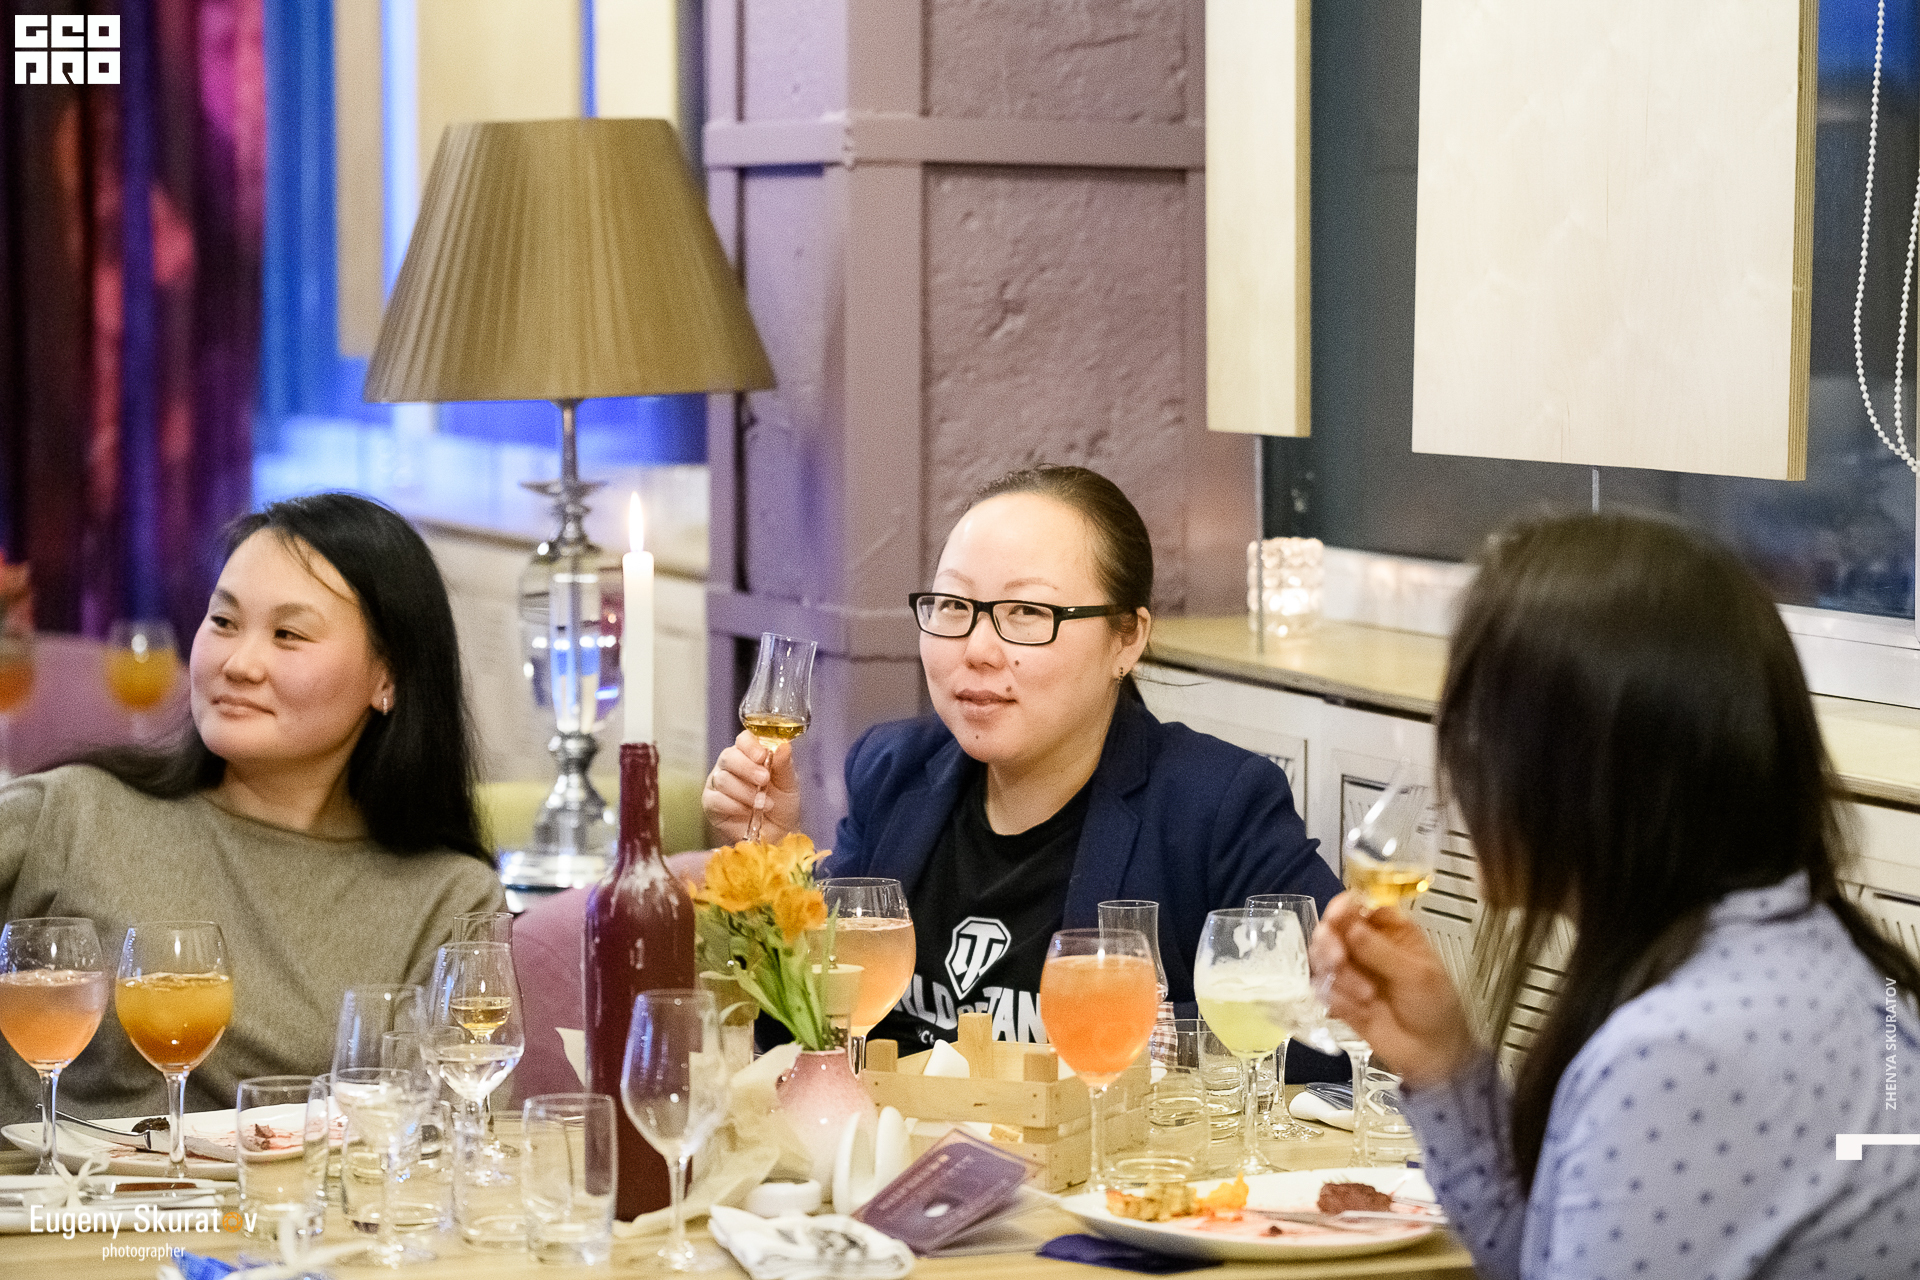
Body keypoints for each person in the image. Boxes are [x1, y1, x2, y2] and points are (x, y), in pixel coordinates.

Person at [1313, 511, 1920, 1279]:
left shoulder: (1678, 1056)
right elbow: (1545, 1256)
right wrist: (1444, 1065)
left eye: (1477, 728)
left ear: (1579, 771)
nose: (1456, 776)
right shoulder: (1809, 952)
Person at [705, 465, 1341, 1057]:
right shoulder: (891, 773)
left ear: (1127, 638)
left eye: (1028, 613)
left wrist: (1155, 1050)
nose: (978, 649)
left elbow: (1332, 1036)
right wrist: (772, 868)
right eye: (954, 607)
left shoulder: (1216, 805)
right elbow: (805, 1041)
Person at [0, 494, 505, 1124]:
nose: (238, 664)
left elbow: (452, 1133)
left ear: (387, 677)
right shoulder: (69, 816)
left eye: (288, 634)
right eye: (223, 621)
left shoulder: (449, 899)